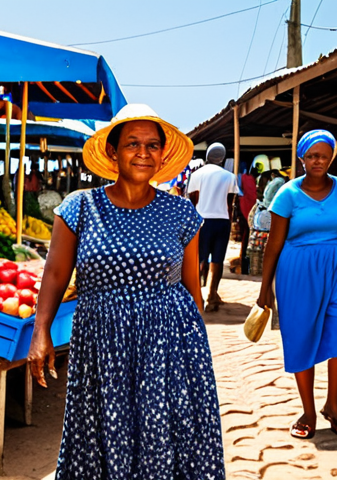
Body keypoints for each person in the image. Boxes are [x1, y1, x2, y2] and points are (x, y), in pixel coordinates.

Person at [27, 104, 225, 479]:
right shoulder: (80, 207)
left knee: (160, 435)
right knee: (103, 434)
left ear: (163, 155)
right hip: (102, 345)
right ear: (112, 151)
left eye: (152, 145)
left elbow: (192, 291)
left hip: (165, 346)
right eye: (132, 143)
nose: (143, 152)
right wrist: (41, 332)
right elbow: (54, 275)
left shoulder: (181, 213)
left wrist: (194, 360)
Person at [257, 129, 337, 440]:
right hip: (297, 270)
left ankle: (333, 406)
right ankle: (308, 411)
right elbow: (273, 244)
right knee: (301, 335)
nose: (317, 161)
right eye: (311, 156)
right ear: (301, 159)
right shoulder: (288, 194)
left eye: (323, 156)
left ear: (332, 157)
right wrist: (264, 289)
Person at [188, 142, 239, 311]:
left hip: (201, 220)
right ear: (223, 158)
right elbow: (230, 202)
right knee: (217, 260)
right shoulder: (229, 176)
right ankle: (212, 294)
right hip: (222, 220)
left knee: (199, 258)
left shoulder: (197, 174)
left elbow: (192, 199)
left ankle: (196, 296)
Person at [238, 166, 259, 274]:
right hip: (247, 212)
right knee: (246, 238)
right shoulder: (247, 180)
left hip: (245, 211)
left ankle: (244, 264)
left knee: (245, 239)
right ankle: (244, 264)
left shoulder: (244, 179)